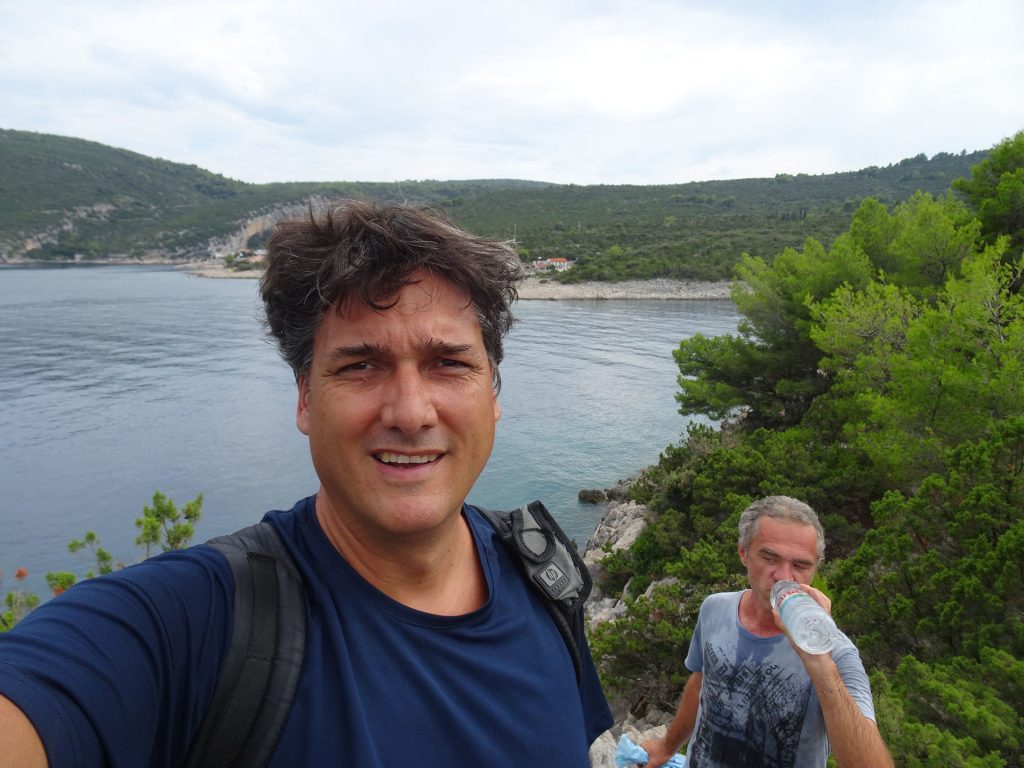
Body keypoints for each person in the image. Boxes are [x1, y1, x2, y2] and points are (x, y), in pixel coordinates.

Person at [0, 200, 613, 767]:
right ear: (304, 399)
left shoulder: (545, 580)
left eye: (448, 363)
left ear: (493, 394)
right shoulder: (191, 626)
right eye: (361, 365)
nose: (410, 412)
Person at [640, 495, 892, 768]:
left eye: (800, 565)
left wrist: (820, 663)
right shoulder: (715, 608)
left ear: (815, 568)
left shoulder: (836, 653)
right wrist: (667, 747)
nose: (784, 576)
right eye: (770, 558)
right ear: (744, 553)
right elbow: (701, 683)